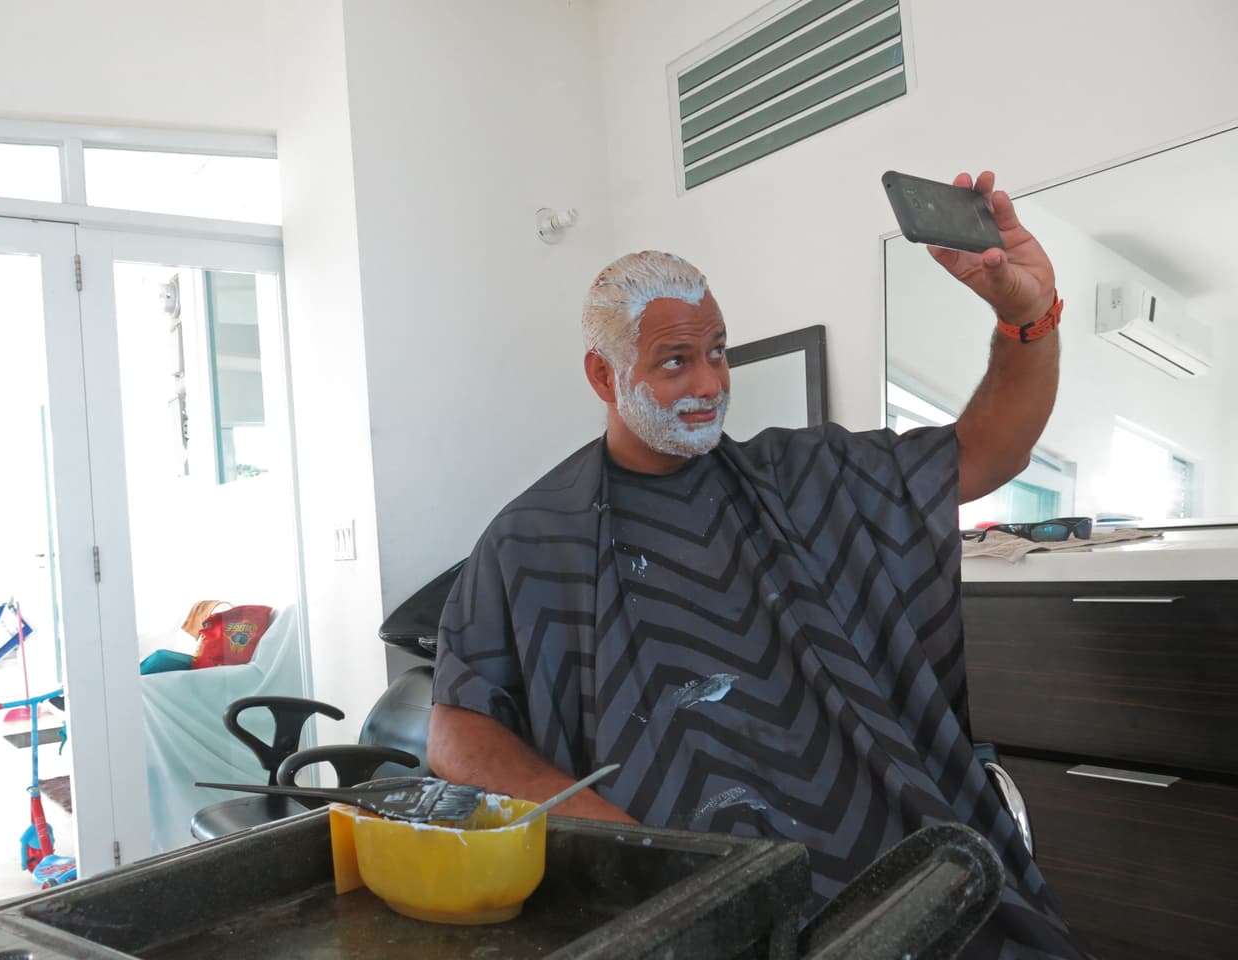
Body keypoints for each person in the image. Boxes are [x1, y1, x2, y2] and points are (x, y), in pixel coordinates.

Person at [429, 172, 1085, 958]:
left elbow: (985, 448)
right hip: (678, 907)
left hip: (878, 868)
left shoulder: (801, 478)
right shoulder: (532, 537)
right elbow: (457, 732)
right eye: (675, 362)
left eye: (716, 353)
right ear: (604, 376)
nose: (709, 384)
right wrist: (625, 844)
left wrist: (1027, 318)